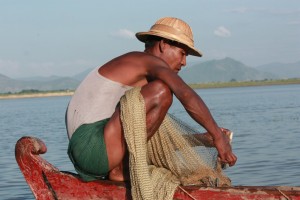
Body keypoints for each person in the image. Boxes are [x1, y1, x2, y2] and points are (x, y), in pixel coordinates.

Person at [66, 17, 237, 182]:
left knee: (158, 98)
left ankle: (120, 168)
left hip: (93, 149)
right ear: (163, 44)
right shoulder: (144, 61)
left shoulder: (141, 82)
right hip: (90, 145)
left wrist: (202, 139)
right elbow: (184, 93)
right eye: (182, 53)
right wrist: (218, 136)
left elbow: (150, 141)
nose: (184, 62)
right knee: (162, 91)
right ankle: (121, 170)